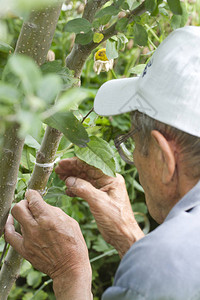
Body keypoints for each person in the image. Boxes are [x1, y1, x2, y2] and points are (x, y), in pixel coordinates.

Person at [4, 26, 200, 300]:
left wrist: (69, 272)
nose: (134, 162)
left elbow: (164, 275)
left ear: (164, 156)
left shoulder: (163, 268)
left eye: (132, 142)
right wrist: (127, 236)